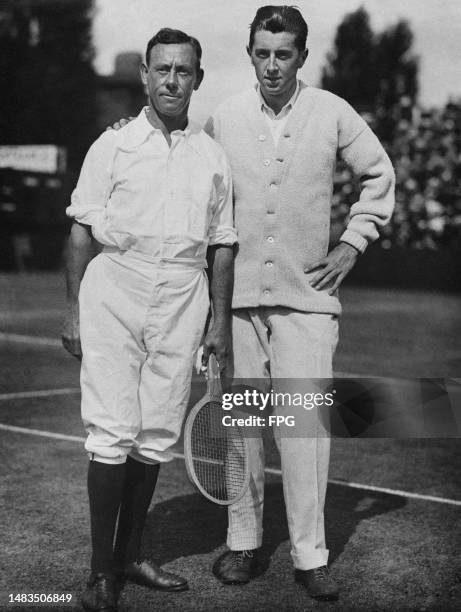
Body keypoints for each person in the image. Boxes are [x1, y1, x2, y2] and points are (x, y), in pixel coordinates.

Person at [204, 6, 395, 601]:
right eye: (261, 52)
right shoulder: (225, 116)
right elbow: (199, 196)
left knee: (305, 435)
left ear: (302, 57)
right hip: (235, 304)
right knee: (242, 427)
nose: (271, 65)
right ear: (250, 53)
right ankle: (242, 543)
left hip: (307, 303)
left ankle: (311, 556)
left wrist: (352, 242)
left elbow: (378, 173)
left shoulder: (332, 111)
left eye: (283, 54)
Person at [62, 28, 236, 612]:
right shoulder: (111, 145)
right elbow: (81, 230)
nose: (171, 80)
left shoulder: (212, 156)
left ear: (198, 78)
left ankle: (133, 555)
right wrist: (72, 311)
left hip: (184, 296)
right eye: (161, 69)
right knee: (111, 432)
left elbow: (222, 244)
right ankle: (99, 572)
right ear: (144, 74)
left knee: (157, 433)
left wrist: (219, 321)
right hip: (115, 289)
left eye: (183, 71)